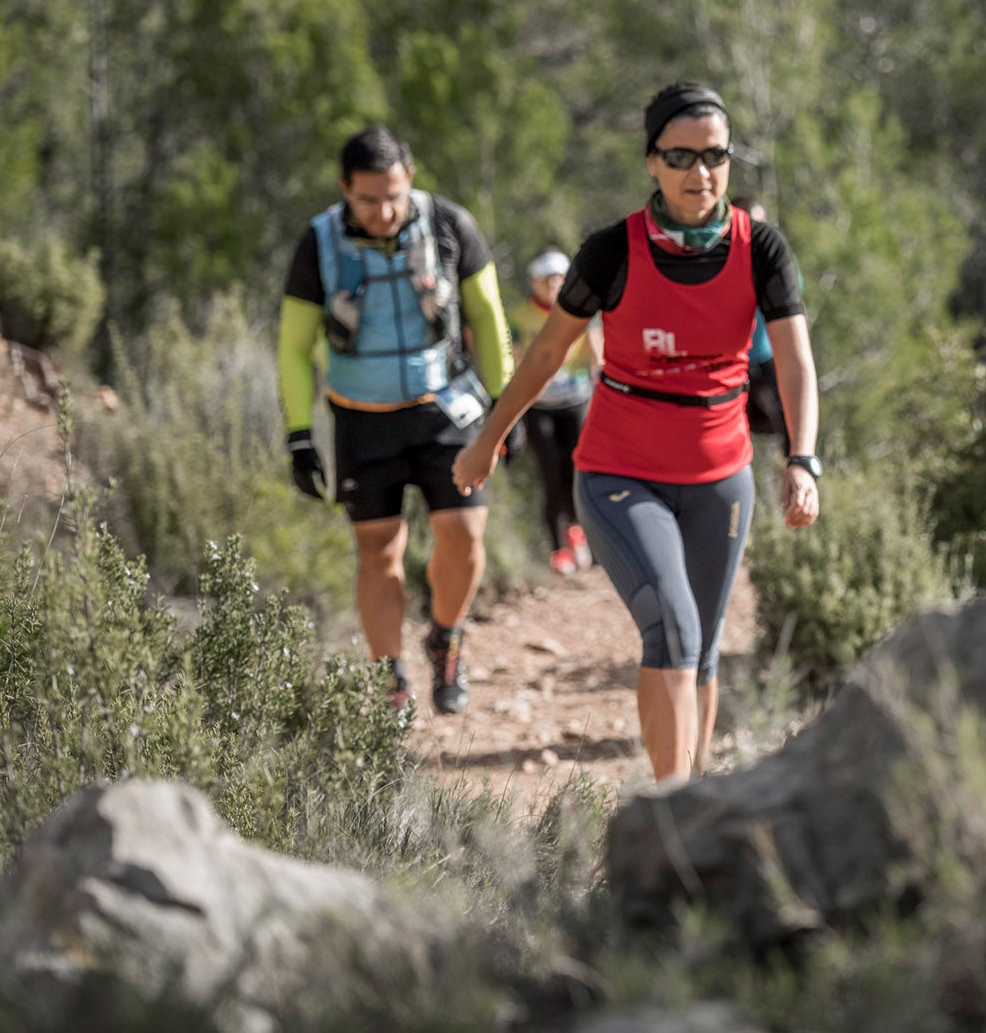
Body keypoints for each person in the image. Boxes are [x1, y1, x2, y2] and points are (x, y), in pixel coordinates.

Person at [454, 82, 822, 783]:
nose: (700, 171)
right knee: (674, 633)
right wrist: (488, 436)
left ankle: (698, 807)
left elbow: (798, 360)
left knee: (703, 649)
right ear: (651, 161)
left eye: (714, 155)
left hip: (721, 477)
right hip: (623, 474)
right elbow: (545, 352)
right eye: (680, 155)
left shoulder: (761, 248)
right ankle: (672, 812)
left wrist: (802, 459)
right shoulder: (611, 251)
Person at [279, 127, 514, 715]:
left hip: (445, 409)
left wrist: (504, 411)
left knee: (464, 538)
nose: (384, 212)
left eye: (394, 196)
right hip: (362, 421)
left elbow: (487, 318)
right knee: (378, 550)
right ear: (343, 190)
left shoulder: (448, 224)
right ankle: (390, 681)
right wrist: (299, 436)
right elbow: (293, 345)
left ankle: (445, 636)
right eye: (367, 200)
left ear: (410, 178)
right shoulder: (319, 241)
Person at [508, 248, 601, 575]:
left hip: (576, 402)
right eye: (546, 281)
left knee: (579, 471)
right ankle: (558, 548)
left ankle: (585, 534)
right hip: (539, 405)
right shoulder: (520, 316)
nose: (553, 287)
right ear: (534, 283)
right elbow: (515, 361)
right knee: (551, 474)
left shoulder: (582, 310)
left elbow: (596, 355)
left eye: (559, 280)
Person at [734, 198, 791, 454]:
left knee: (787, 418)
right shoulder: (716, 262)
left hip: (766, 356)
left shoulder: (776, 262)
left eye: (759, 223)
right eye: (747, 222)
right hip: (733, 362)